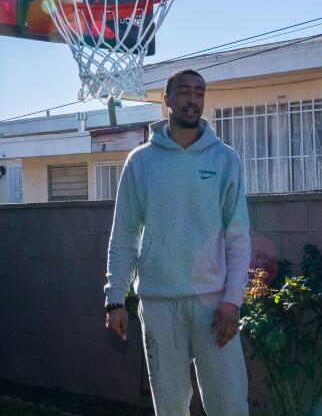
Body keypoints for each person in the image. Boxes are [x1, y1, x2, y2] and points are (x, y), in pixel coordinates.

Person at [103, 69, 251, 415]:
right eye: (184, 92)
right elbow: (124, 233)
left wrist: (232, 300)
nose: (193, 99)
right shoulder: (141, 162)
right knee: (169, 407)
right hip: (158, 303)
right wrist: (115, 299)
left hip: (214, 305)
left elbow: (238, 236)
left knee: (229, 405)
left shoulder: (225, 159)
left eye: (200, 92)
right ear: (166, 100)